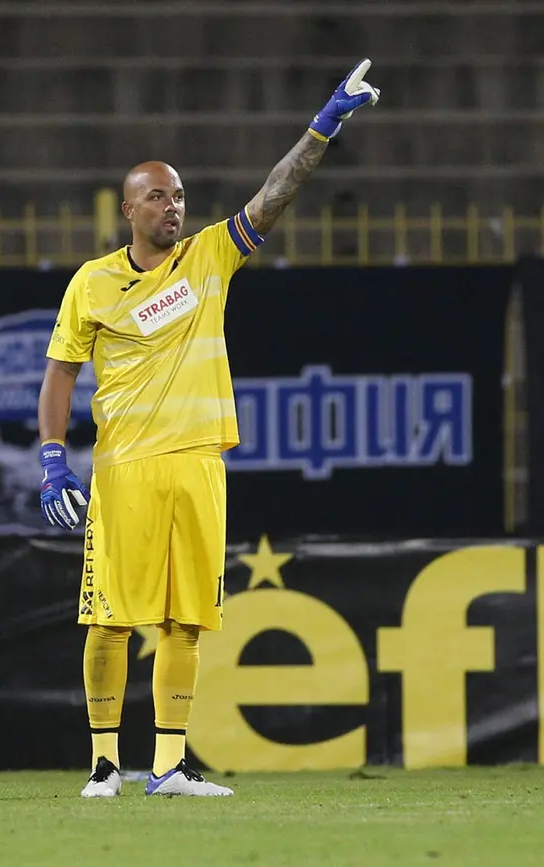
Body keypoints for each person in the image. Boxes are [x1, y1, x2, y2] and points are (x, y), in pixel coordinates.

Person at [37, 59, 379, 798]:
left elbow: (274, 194)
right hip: (124, 469)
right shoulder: (92, 283)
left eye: (180, 195)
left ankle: (168, 764)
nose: (173, 206)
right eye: (158, 195)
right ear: (128, 209)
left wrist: (324, 127)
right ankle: (104, 764)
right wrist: (54, 460)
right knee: (109, 620)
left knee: (185, 620)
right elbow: (60, 372)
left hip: (198, 464)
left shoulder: (208, 257)